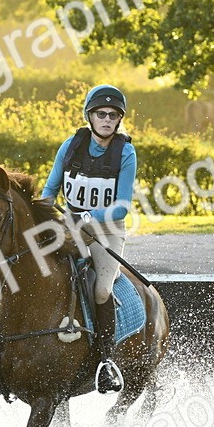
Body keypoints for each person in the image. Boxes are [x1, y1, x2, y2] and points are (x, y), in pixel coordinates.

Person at [41, 84, 136, 394]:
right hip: (70, 227)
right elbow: (50, 189)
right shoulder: (70, 146)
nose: (107, 119)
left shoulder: (125, 152)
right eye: (101, 114)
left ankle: (105, 362)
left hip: (107, 231)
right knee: (28, 260)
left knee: (100, 288)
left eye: (113, 115)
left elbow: (121, 206)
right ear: (90, 116)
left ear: (119, 120)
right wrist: (43, 213)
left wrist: (85, 217)